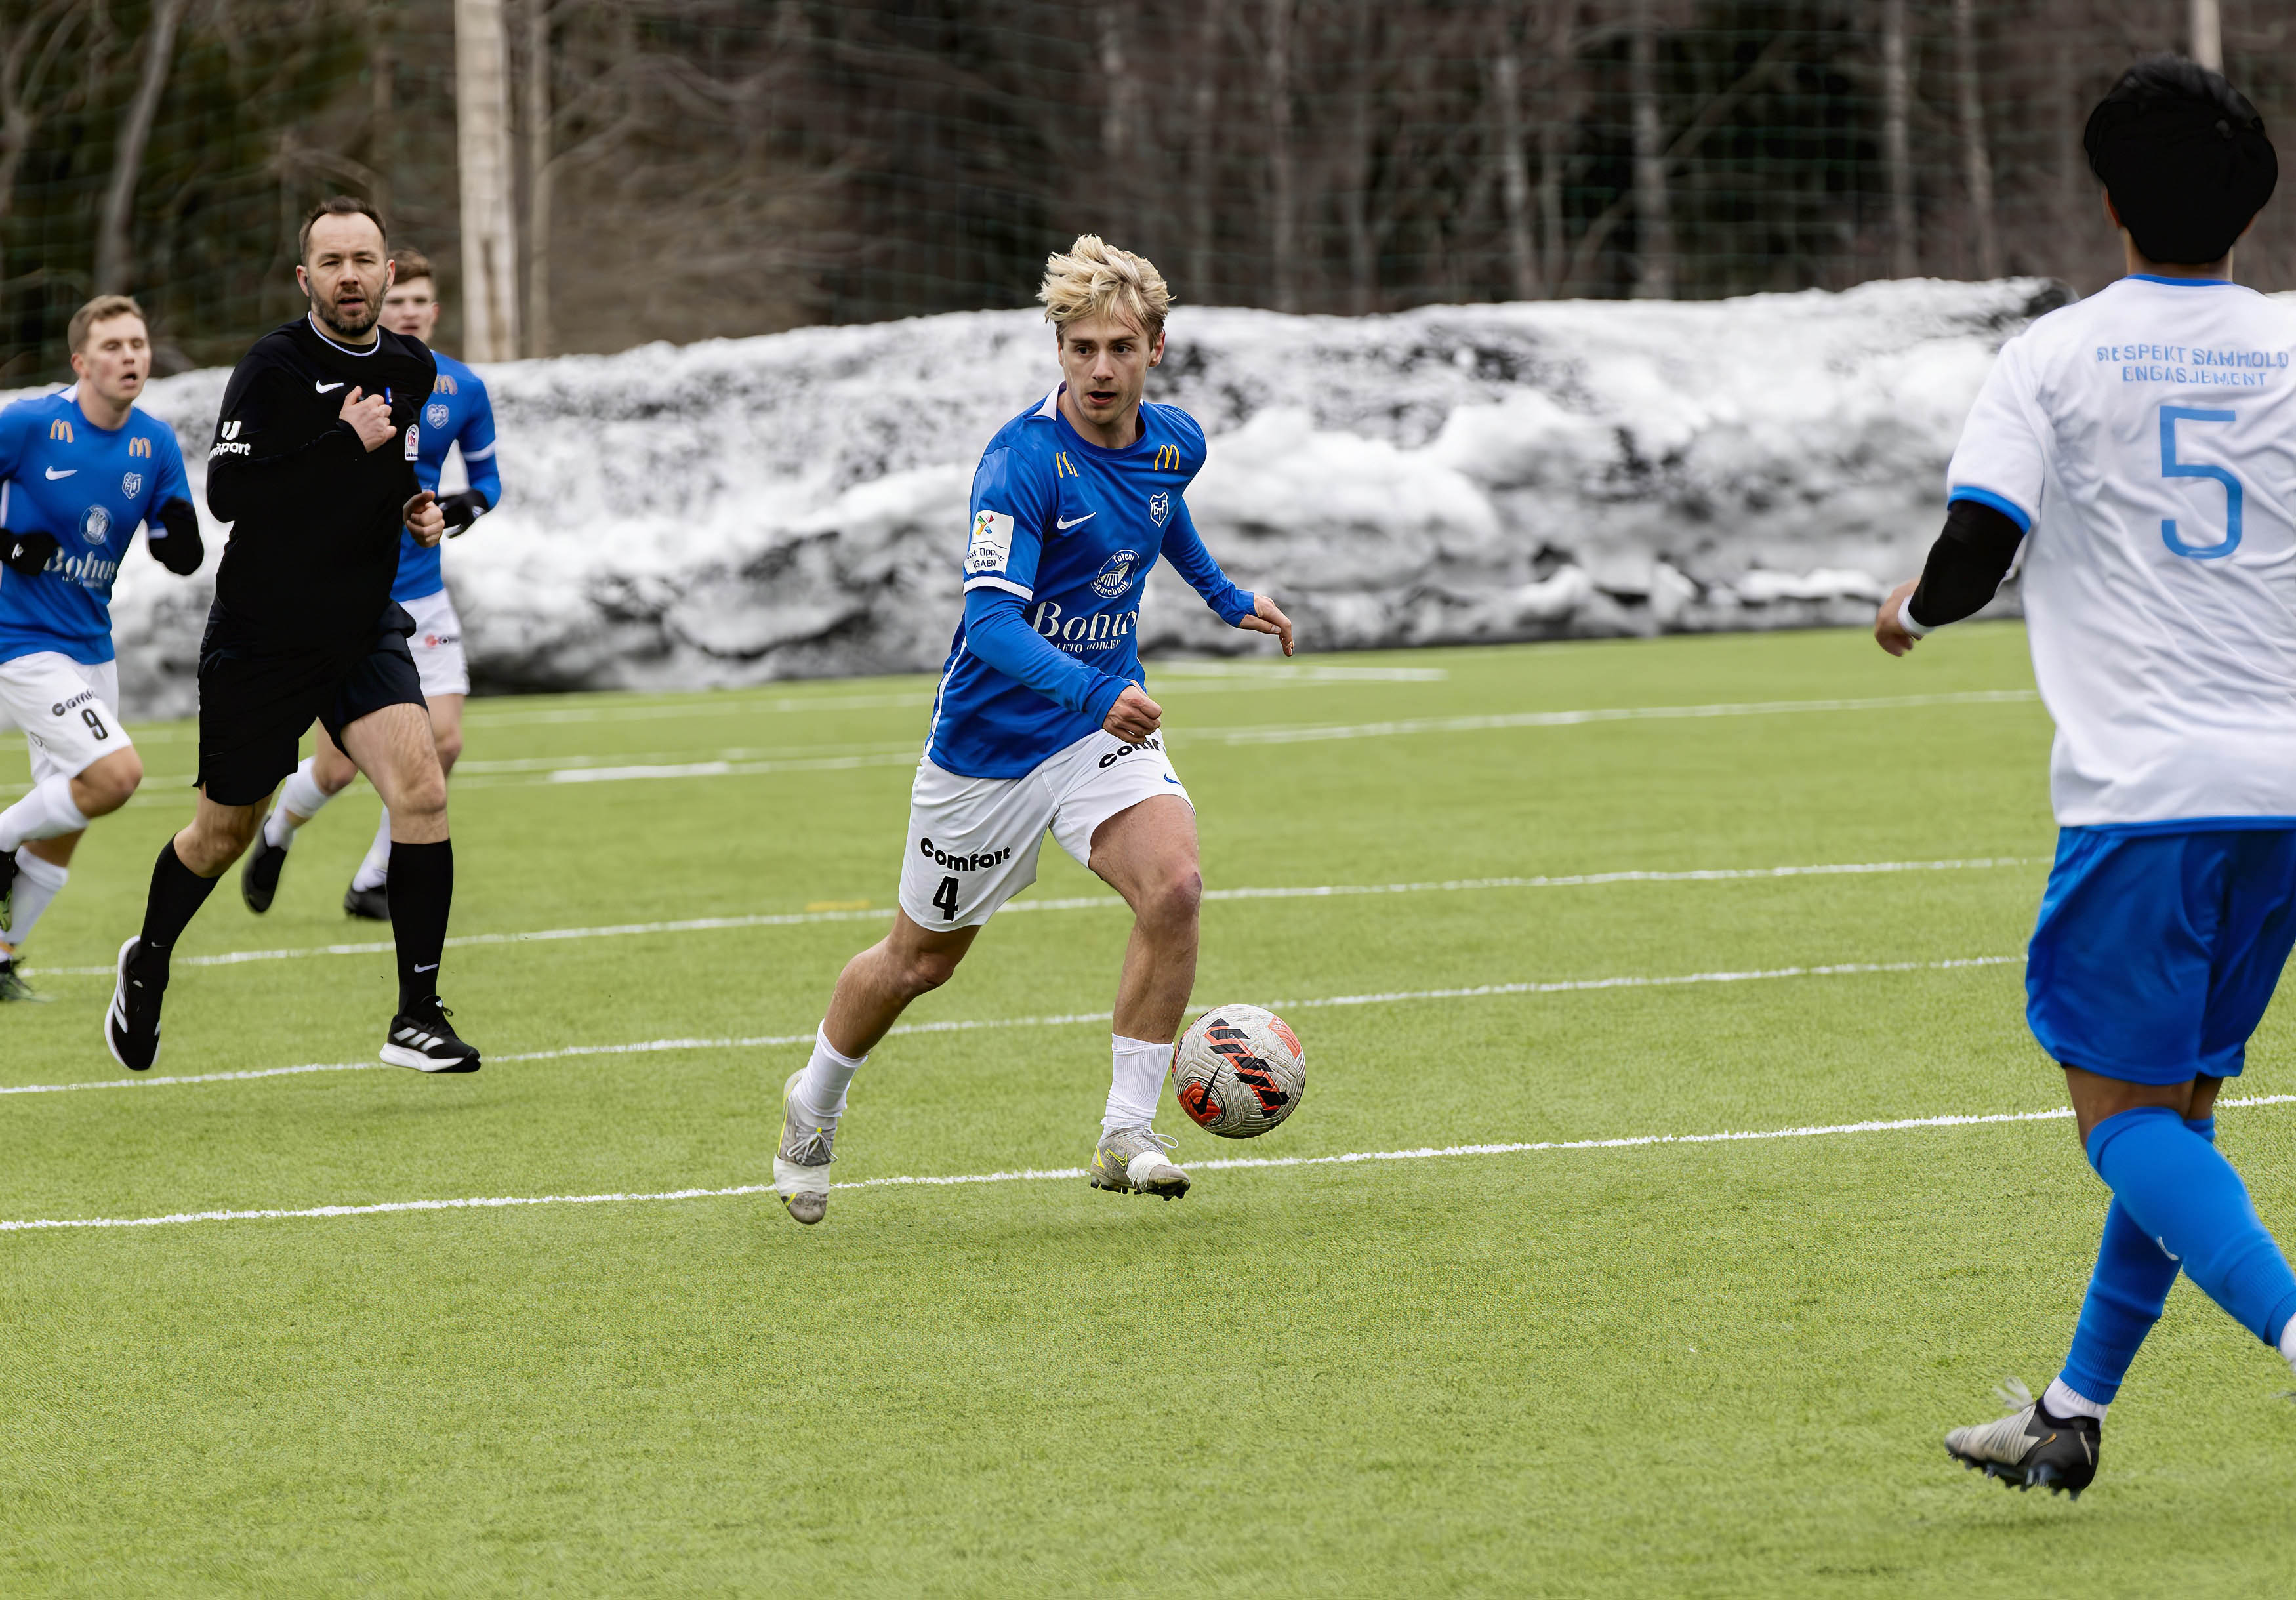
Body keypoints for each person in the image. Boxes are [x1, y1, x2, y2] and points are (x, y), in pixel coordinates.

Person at [1874, 58, 2296, 1497]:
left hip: (2147, 795)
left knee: (2118, 1122)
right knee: (2171, 1118)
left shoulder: (2055, 356)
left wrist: (1911, 613)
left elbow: (1979, 543)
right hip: (2285, 794)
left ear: (2107, 202)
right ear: (2254, 204)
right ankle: (2069, 1414)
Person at [771, 235, 1294, 1226]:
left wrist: (1226, 598)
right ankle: (815, 1098)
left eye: (1122, 347)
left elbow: (1160, 507)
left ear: (1158, 348)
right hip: (990, 750)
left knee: (1174, 884)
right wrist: (1094, 692)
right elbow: (992, 624)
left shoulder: (1176, 439)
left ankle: (1125, 1130)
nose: (1102, 368)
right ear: (1057, 349)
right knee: (919, 962)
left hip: (1097, 734)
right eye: (1083, 347)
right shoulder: (1019, 465)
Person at [105, 196, 480, 1075]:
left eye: (365, 259)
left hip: (361, 628)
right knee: (221, 833)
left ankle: (416, 1014)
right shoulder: (273, 366)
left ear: (390, 273)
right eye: (333, 262)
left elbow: (391, 473)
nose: (351, 275)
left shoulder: (411, 369)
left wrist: (414, 510)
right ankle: (148, 958)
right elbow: (231, 497)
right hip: (262, 639)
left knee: (422, 791)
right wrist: (337, 441)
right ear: (305, 277)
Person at [238, 245, 499, 920]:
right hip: (352, 601)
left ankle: (374, 880)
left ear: (434, 312)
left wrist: (455, 510)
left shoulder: (461, 389)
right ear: (383, 299)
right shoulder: (336, 378)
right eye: (399, 300)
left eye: (419, 302)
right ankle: (278, 829)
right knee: (334, 769)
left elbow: (488, 483)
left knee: (444, 742)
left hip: (426, 594)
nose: (408, 312)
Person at [0, 296, 201, 1000]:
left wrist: (180, 538)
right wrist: (10, 545)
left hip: (92, 644)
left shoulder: (154, 443)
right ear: (81, 362)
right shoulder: (28, 424)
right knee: (116, 776)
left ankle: (0, 954)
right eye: (113, 346)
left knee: (74, 809)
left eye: (139, 344)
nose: (130, 357)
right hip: (18, 640)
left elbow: (179, 542)